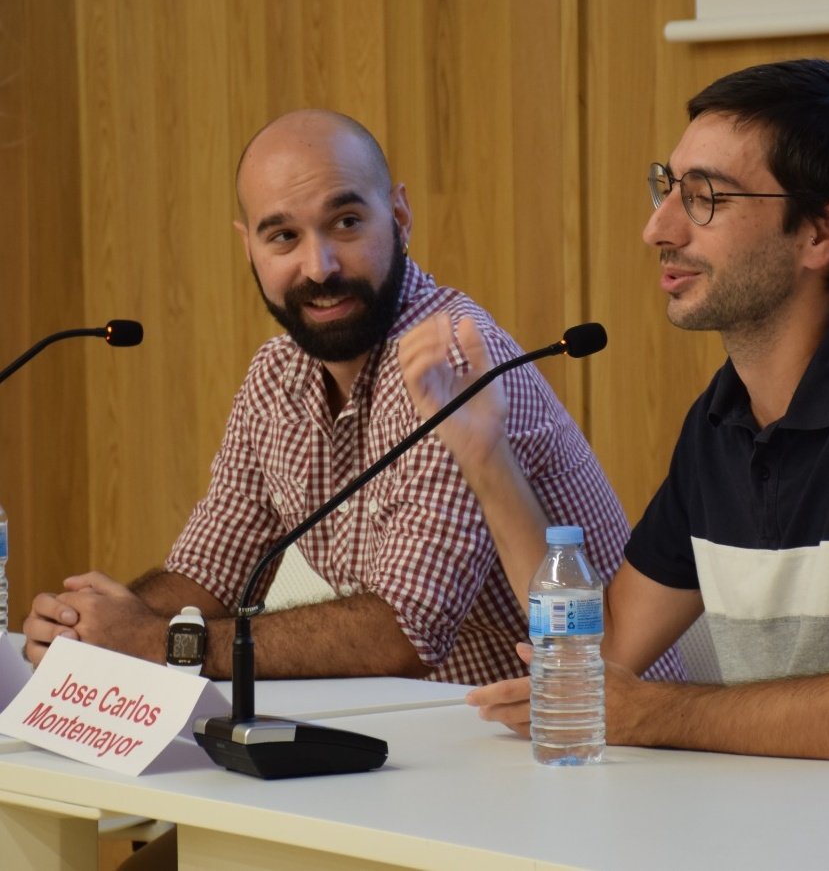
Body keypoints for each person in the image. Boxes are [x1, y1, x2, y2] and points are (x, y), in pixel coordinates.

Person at [400, 58, 829, 764]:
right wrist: (486, 453)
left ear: (823, 232)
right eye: (667, 187)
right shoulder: (720, 420)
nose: (658, 228)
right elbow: (603, 644)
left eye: (705, 197)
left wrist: (647, 712)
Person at [21, 109, 681, 687]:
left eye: (345, 222)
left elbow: (404, 632)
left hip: (590, 740)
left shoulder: (452, 363)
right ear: (247, 246)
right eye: (283, 236)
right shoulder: (277, 374)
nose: (319, 266)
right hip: (448, 749)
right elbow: (210, 573)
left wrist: (156, 644)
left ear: (399, 216)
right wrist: (90, 624)